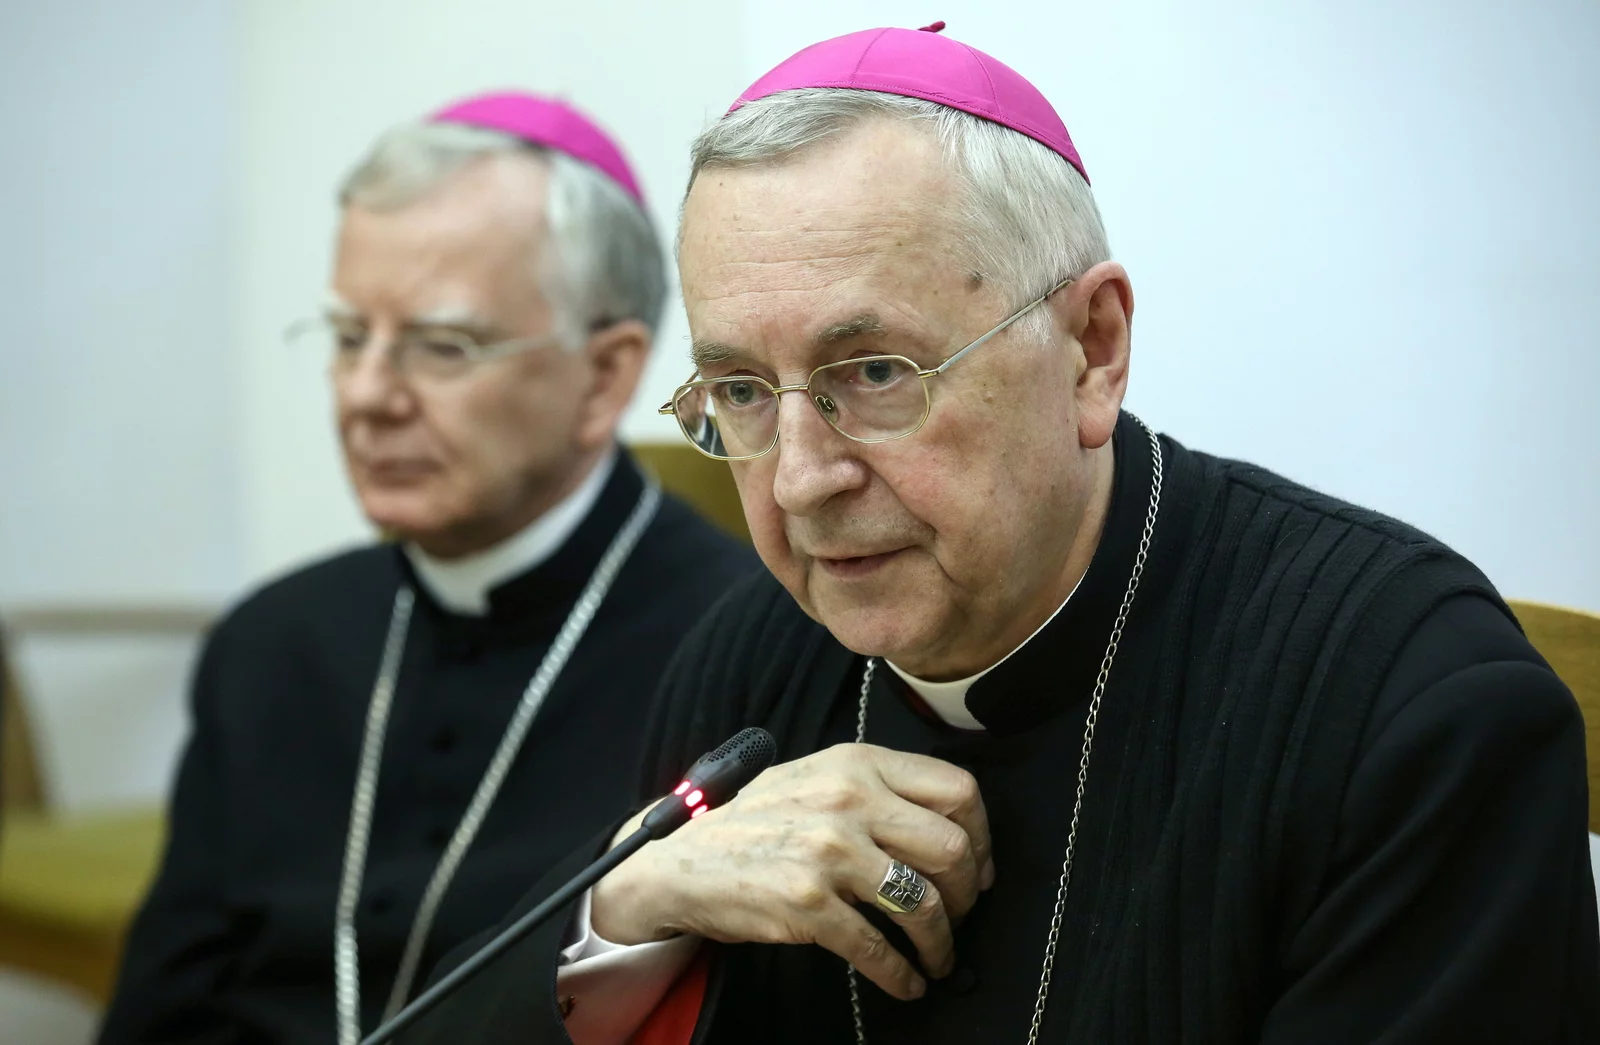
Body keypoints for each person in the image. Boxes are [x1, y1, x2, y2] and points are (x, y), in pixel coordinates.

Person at [398, 26, 1600, 1045]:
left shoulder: (1409, 706)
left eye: (873, 371)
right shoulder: (745, 671)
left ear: (1092, 349)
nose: (804, 481)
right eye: (742, 393)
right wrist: (632, 907)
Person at [98, 92, 757, 1045]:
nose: (366, 396)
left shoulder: (744, 651)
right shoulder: (271, 641)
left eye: (440, 346)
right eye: (349, 337)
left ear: (605, 375)